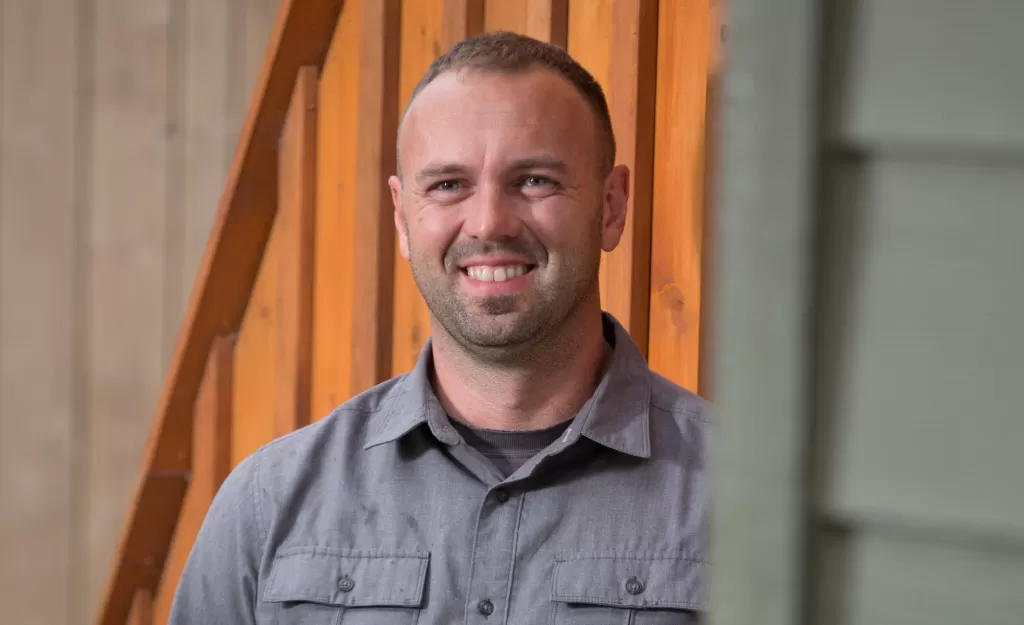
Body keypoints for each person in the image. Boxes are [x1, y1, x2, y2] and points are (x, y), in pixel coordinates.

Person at [170, 30, 711, 625]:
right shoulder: (268, 505)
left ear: (611, 206)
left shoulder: (746, 501)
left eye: (534, 180)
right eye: (449, 185)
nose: (489, 222)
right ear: (402, 217)